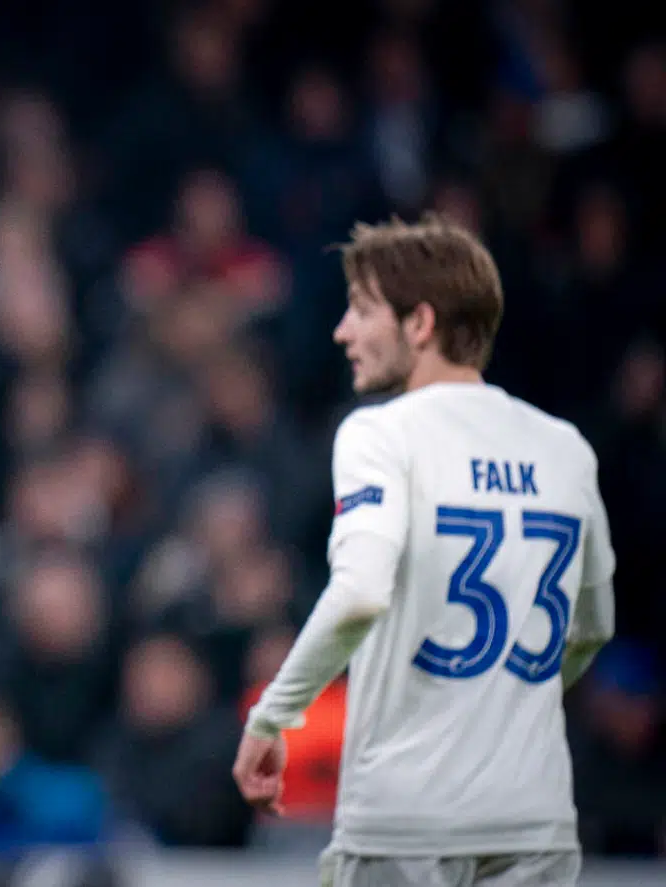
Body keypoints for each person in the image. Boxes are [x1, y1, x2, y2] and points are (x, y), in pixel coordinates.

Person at [233, 215, 615, 886]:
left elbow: (359, 590)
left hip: (406, 824)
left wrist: (274, 712)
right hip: (535, 821)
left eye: (361, 310)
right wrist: (498, 706)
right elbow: (592, 628)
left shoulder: (381, 434)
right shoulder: (566, 449)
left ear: (421, 323)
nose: (342, 332)